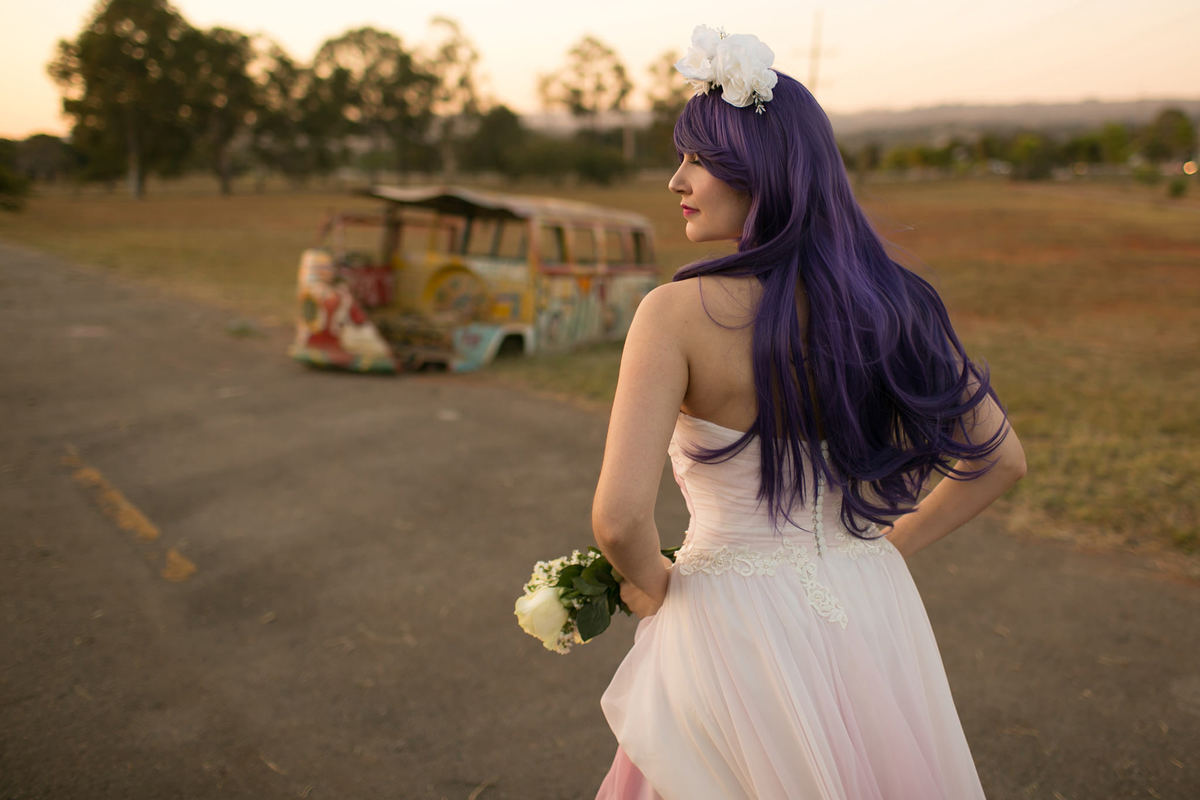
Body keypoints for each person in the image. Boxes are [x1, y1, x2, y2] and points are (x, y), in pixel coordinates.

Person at [590, 26, 1026, 800]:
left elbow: (620, 521)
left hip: (728, 622)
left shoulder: (674, 314)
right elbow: (1001, 460)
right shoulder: (897, 302)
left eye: (697, 158)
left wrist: (652, 587)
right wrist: (886, 549)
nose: (675, 180)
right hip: (868, 603)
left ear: (759, 169)